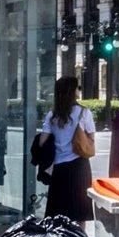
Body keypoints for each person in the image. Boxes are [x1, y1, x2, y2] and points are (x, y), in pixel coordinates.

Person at [40, 76, 94, 227]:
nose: (79, 90)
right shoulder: (84, 113)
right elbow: (91, 139)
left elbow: (42, 142)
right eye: (78, 87)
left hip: (59, 168)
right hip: (79, 166)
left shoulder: (52, 115)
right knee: (79, 213)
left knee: (58, 212)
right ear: (72, 91)